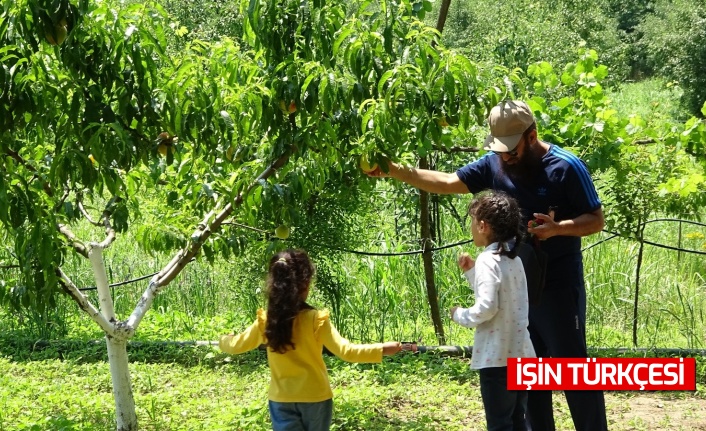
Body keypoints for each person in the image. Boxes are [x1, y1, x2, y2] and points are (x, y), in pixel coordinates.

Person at [367, 100, 608, 431]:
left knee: (573, 371)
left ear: (532, 135)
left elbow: (596, 220)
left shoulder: (566, 167)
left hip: (558, 288)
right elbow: (448, 182)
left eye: (511, 149)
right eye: (499, 150)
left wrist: (557, 229)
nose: (505, 157)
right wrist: (394, 169)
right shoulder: (496, 163)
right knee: (530, 376)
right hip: (517, 294)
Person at [219, 249, 402, 431]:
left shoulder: (266, 321)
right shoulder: (315, 319)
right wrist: (383, 348)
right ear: (305, 284)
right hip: (316, 398)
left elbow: (236, 345)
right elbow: (347, 351)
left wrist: (224, 340)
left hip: (281, 399)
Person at [450, 191, 536, 431]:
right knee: (518, 421)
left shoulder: (489, 259)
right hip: (522, 355)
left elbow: (487, 307)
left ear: (483, 225)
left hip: (497, 360)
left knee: (499, 424)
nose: (471, 228)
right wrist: (471, 273)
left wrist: (459, 314)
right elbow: (504, 296)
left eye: (472, 222)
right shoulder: (512, 258)